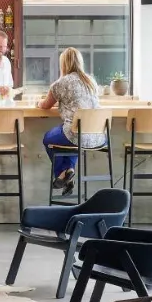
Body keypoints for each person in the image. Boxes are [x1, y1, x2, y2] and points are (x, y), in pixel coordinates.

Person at [38, 47, 106, 195]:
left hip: (77, 134)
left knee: (49, 138)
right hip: (99, 136)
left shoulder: (61, 83)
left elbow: (45, 105)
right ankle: (69, 171)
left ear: (63, 64)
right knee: (73, 139)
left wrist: (38, 102)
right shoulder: (91, 81)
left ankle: (62, 173)